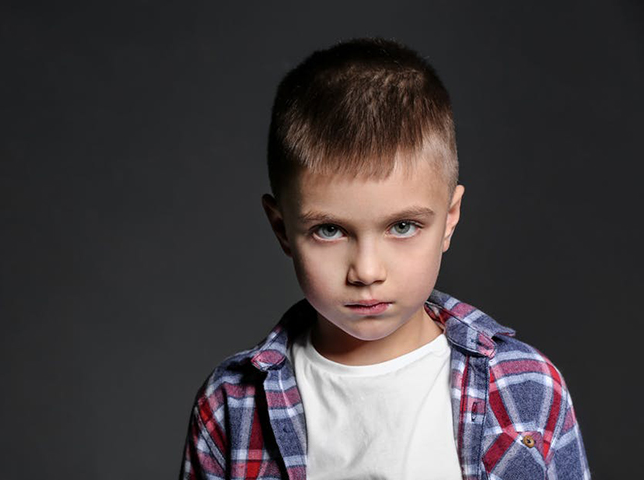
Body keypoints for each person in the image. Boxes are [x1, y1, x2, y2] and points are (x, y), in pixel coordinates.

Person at [179, 37, 590, 480]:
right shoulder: (232, 406)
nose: (367, 272)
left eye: (402, 226)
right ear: (282, 229)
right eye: (330, 230)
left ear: (449, 219)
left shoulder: (527, 389)